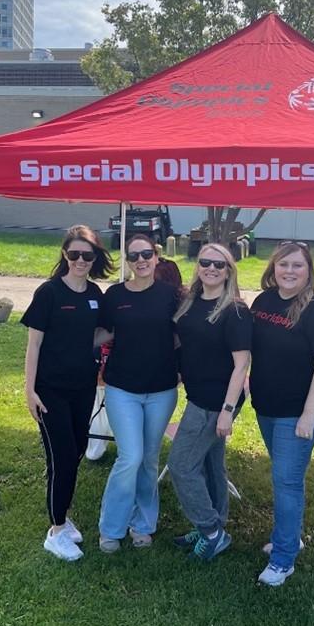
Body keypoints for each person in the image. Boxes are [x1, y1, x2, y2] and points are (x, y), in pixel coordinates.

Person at [250, 242, 314, 586]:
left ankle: (283, 558)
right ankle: (290, 537)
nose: (289, 271)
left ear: (309, 272)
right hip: (267, 407)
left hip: (299, 412)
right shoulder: (264, 302)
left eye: (297, 266)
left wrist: (308, 414)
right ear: (273, 268)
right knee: (287, 476)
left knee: (286, 481)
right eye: (283, 264)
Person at [21, 224, 113, 561]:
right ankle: (56, 530)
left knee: (76, 451)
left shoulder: (95, 294)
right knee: (62, 458)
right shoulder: (49, 293)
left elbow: (99, 334)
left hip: (83, 387)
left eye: (87, 255)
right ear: (65, 254)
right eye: (74, 254)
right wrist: (29, 390)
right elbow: (34, 344)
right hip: (50, 390)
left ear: (95, 257)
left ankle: (61, 513)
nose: (81, 260)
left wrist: (125, 331)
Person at [168, 243, 252, 561]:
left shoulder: (235, 311)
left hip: (215, 401)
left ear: (229, 271)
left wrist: (227, 411)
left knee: (180, 466)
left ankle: (211, 530)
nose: (212, 268)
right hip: (198, 393)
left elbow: (241, 365)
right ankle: (216, 523)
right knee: (209, 462)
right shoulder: (191, 301)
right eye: (206, 262)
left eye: (219, 264)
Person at [97, 233, 179, 552]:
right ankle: (111, 527)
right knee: (130, 456)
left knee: (148, 458)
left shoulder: (171, 295)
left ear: (156, 257)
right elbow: (102, 333)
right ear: (127, 261)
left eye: (146, 254)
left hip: (161, 390)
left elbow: (183, 336)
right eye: (134, 256)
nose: (141, 260)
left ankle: (143, 524)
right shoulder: (115, 295)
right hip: (122, 389)